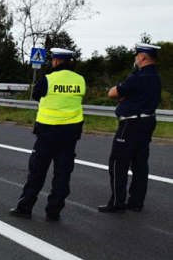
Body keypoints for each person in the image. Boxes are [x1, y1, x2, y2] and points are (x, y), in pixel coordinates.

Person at [10, 48, 85, 221]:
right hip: (70, 133)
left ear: (56, 61)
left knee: (37, 171)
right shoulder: (80, 79)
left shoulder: (48, 79)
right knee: (63, 174)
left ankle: (25, 208)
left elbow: (36, 95)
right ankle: (54, 212)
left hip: (48, 132)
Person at [98, 42, 163, 213]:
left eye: (136, 56)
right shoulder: (156, 76)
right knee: (140, 163)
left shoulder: (137, 76)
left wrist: (123, 95)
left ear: (142, 57)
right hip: (148, 122)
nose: (135, 59)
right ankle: (136, 202)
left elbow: (113, 93)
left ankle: (117, 203)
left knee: (118, 162)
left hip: (130, 124)